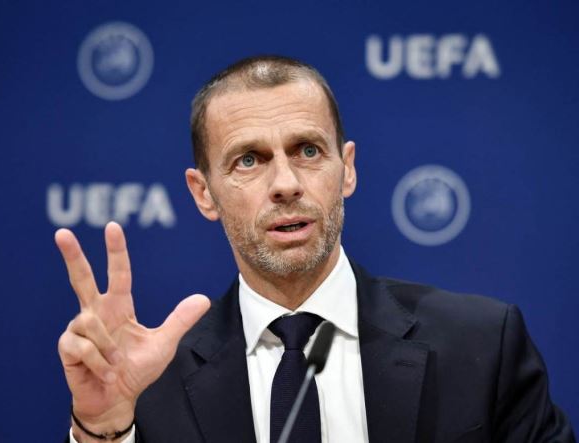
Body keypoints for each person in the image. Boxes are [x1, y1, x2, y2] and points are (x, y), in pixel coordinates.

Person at [57, 56, 575, 443]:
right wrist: (102, 429)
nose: (286, 184)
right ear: (203, 193)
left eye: (307, 150)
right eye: (248, 160)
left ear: (346, 169)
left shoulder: (481, 345)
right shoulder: (150, 381)